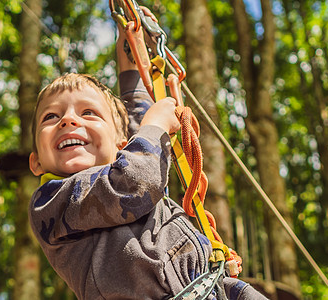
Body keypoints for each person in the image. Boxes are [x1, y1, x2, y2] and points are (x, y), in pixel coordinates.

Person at [26, 8, 266, 300]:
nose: (69, 120)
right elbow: (133, 183)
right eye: (51, 117)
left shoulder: (134, 156)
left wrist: (129, 40)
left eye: (88, 112)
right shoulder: (51, 201)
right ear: (36, 161)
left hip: (212, 287)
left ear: (120, 143)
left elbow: (137, 111)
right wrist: (154, 126)